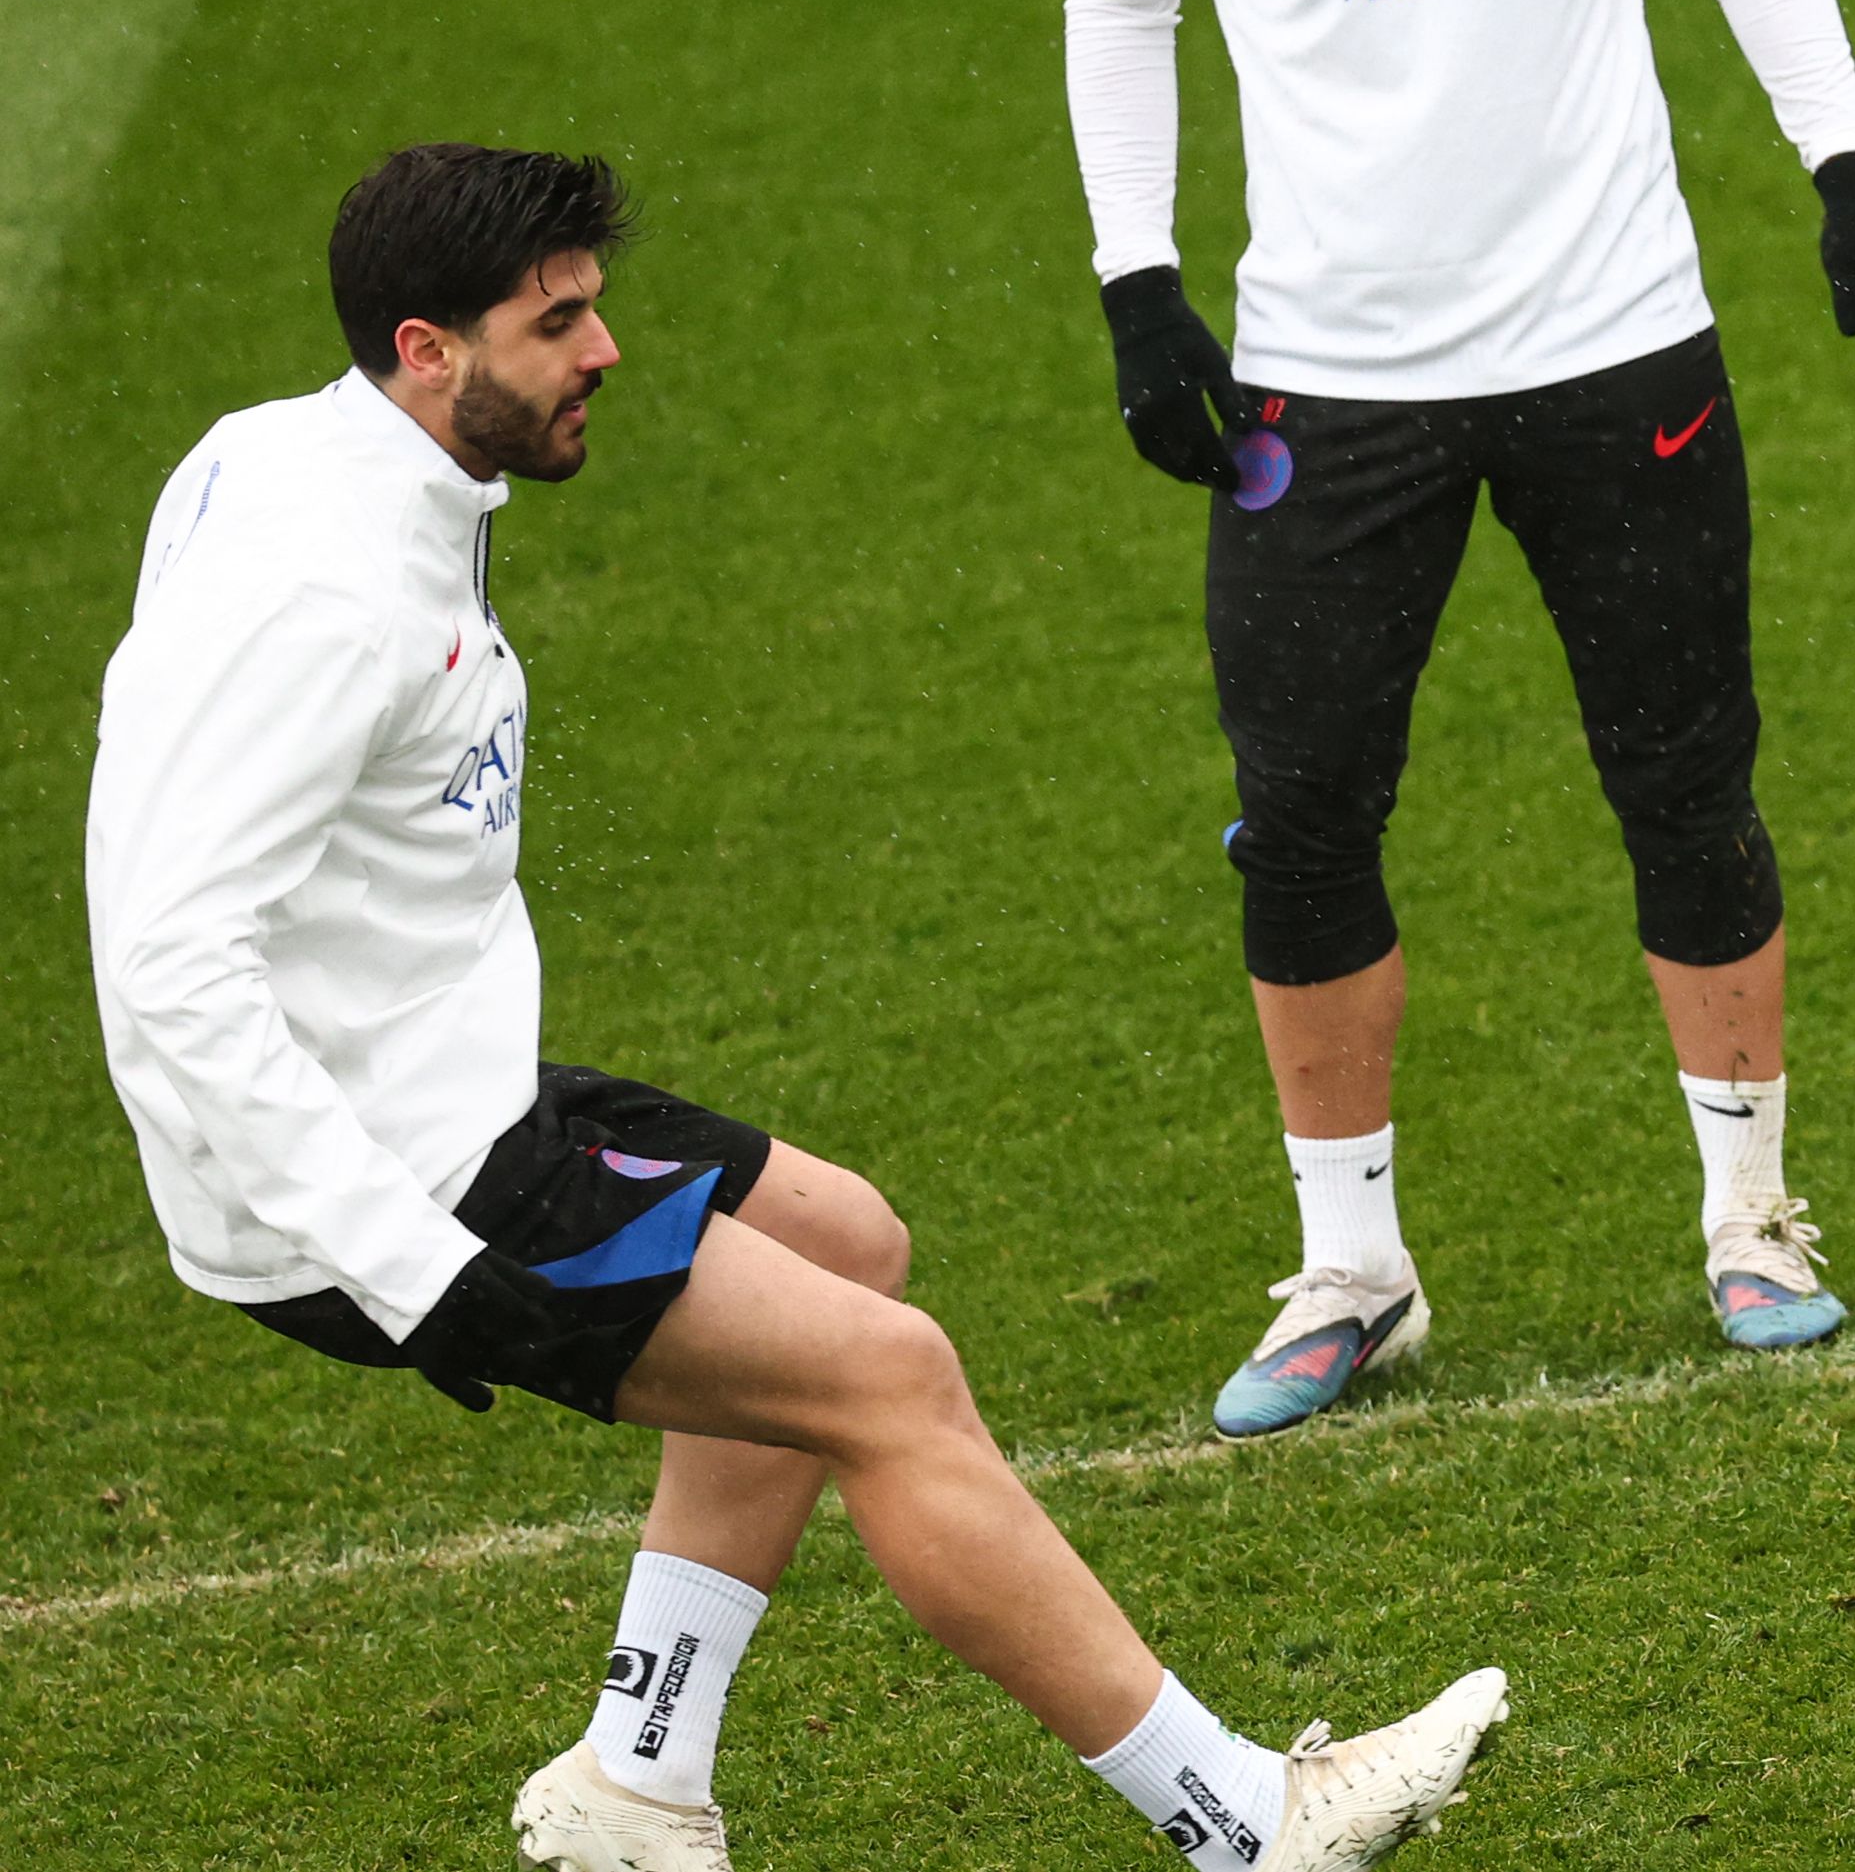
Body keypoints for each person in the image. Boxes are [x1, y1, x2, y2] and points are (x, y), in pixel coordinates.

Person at [85, 144, 1508, 1872]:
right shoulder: (328, 594)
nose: (605, 350)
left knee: (846, 1243)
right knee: (890, 1382)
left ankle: (635, 1778)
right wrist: (413, 1267)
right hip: (386, 1180)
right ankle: (1245, 1820)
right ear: (425, 347)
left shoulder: (293, 459)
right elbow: (167, 953)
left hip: (444, 1090)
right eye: (560, 321)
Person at [1064, 0, 1855, 1436]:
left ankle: (1752, 1214)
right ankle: (1353, 1268)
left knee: (1686, 779)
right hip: (1330, 376)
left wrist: (1843, 163)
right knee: (1297, 814)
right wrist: (1140, 283)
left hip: (1619, 344)